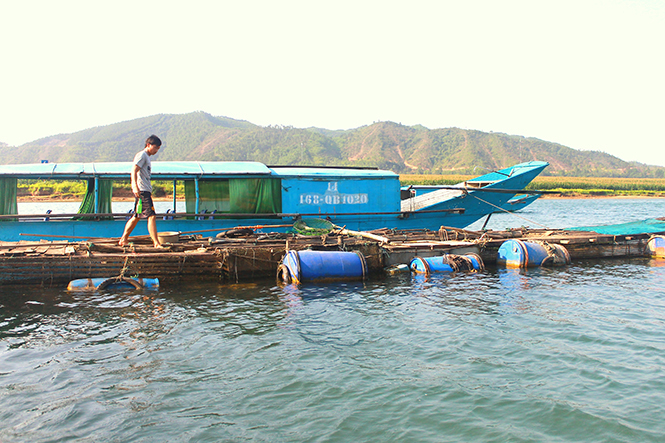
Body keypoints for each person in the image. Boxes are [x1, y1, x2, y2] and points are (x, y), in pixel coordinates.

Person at [119, 135, 163, 247]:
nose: (157, 150)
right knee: (151, 215)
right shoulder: (142, 155)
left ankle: (123, 239)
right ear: (148, 145)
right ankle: (156, 243)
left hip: (145, 190)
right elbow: (134, 169)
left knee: (136, 216)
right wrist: (134, 186)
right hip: (142, 190)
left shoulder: (147, 157)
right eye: (156, 147)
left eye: (158, 148)